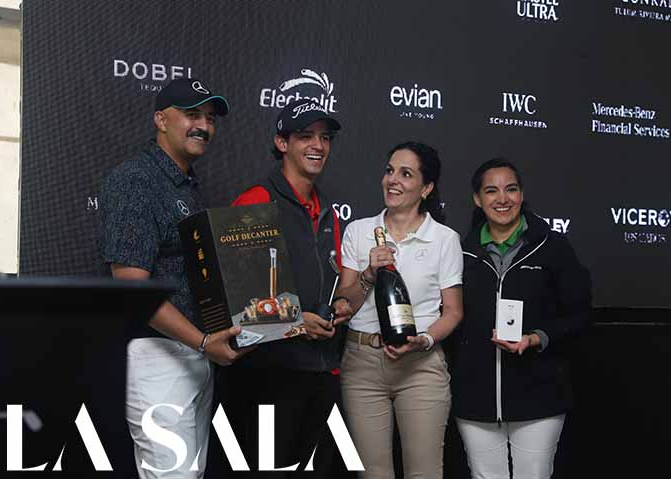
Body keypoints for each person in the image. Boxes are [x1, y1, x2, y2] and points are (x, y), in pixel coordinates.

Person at [97, 78, 253, 479]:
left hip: (196, 354)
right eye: (191, 114)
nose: (203, 125)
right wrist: (201, 341)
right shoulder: (135, 180)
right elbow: (132, 286)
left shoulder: (186, 185)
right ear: (161, 120)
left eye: (210, 118)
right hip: (158, 356)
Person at [225, 99, 353, 477]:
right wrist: (297, 323)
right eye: (305, 136)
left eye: (324, 138)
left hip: (322, 373)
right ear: (282, 143)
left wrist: (341, 303)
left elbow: (331, 282)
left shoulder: (328, 211)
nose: (318, 145)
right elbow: (239, 301)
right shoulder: (255, 201)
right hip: (271, 377)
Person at [452, 158, 592, 479]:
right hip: (476, 398)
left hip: (539, 395)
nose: (502, 198)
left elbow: (580, 314)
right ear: (477, 199)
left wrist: (537, 337)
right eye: (491, 191)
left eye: (511, 189)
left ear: (522, 194)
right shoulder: (462, 252)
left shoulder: (553, 247)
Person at [335, 141, 463, 479]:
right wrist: (368, 274)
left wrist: (424, 340)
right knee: (372, 474)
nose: (393, 180)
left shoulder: (445, 239)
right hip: (362, 364)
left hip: (421, 366)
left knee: (425, 473)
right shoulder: (359, 231)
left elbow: (452, 311)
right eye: (390, 170)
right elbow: (344, 305)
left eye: (406, 174)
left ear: (426, 187)